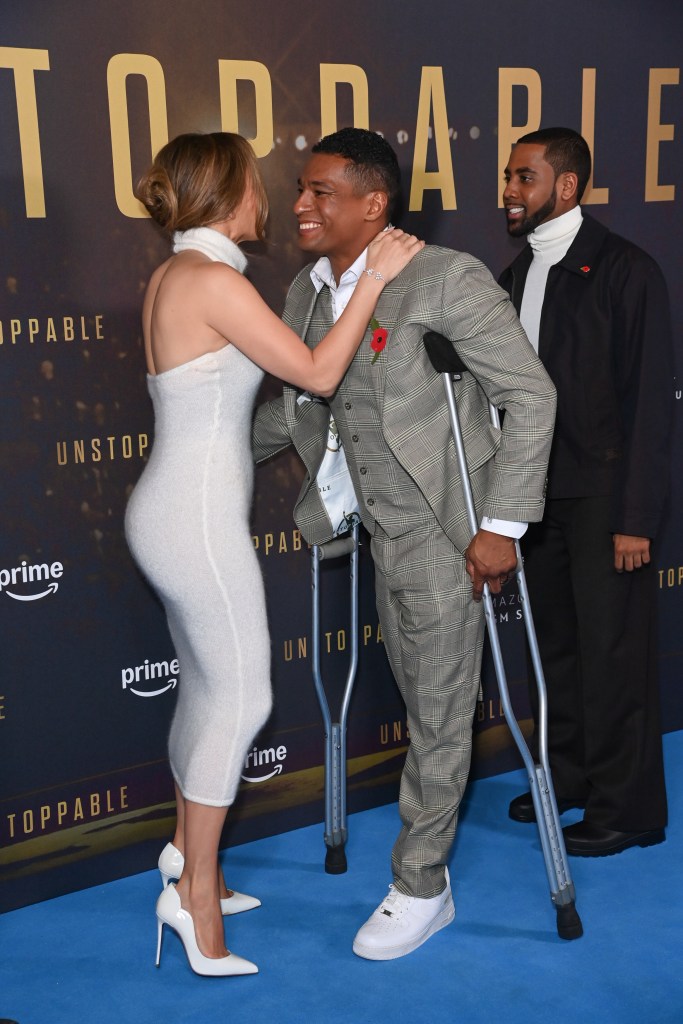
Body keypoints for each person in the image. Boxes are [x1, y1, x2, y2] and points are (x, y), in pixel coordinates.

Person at [252, 127, 556, 960]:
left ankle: (423, 883)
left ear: (373, 204)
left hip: (439, 530)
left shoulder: (444, 279)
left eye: (321, 192)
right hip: (366, 524)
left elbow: (529, 397)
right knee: (417, 692)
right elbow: (300, 403)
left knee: (435, 707)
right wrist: (203, 450)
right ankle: (422, 868)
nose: (302, 205)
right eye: (302, 190)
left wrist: (499, 527)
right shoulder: (308, 291)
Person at [124, 131, 423, 977]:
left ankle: (184, 861)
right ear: (226, 192)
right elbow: (319, 374)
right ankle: (195, 900)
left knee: (207, 689)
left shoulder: (176, 274)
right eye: (258, 184)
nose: (271, 199)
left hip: (171, 512)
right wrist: (374, 277)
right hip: (193, 522)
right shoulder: (212, 279)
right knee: (243, 697)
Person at [500, 127, 673, 856]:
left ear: (564, 187)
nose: (509, 191)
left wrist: (635, 517)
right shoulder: (514, 274)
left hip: (605, 500)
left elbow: (648, 404)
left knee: (612, 656)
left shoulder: (627, 270)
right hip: (537, 496)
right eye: (508, 178)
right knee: (556, 651)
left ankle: (627, 811)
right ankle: (567, 779)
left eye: (523, 178)